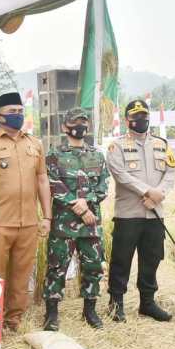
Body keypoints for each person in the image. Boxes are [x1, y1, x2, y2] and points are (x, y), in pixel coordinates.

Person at [0, 92, 52, 332]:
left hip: (28, 222)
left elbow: (42, 180)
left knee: (21, 276)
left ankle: (13, 320)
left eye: (20, 111)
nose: (17, 116)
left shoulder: (34, 144)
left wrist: (46, 217)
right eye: (12, 112)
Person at [106, 99, 175, 322]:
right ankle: (115, 304)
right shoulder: (116, 146)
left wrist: (160, 194)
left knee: (152, 258)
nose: (141, 120)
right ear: (127, 120)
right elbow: (120, 174)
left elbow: (171, 172)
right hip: (128, 215)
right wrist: (148, 192)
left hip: (154, 214)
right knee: (121, 259)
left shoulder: (161, 144)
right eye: (135, 116)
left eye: (144, 116)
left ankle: (147, 303)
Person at [43, 108, 110, 331]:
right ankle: (51, 313)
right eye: (75, 122)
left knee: (92, 267)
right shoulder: (54, 155)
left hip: (90, 226)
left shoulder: (97, 155)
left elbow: (102, 187)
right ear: (65, 127)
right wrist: (78, 206)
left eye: (83, 122)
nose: (79, 126)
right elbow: (53, 185)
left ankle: (89, 310)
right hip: (63, 225)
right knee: (57, 267)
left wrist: (86, 202)